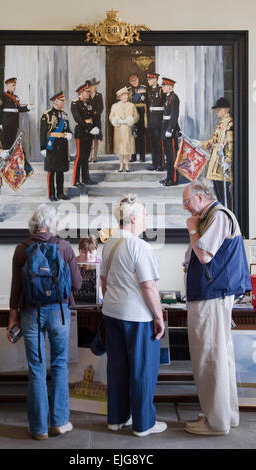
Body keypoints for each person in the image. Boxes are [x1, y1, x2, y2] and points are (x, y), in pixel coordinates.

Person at [7, 204, 82, 440]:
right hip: (59, 312)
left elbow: (16, 289)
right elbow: (78, 285)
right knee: (59, 364)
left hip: (30, 312)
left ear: (33, 224)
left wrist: (12, 320)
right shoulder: (64, 247)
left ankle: (38, 428)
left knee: (36, 368)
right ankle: (59, 422)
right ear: (53, 224)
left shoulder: (22, 249)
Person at [182, 180, 251, 436]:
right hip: (212, 295)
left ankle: (216, 422)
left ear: (201, 197)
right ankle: (224, 415)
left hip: (211, 296)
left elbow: (204, 255)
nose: (186, 208)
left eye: (187, 202)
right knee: (220, 358)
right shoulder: (213, 216)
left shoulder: (218, 215)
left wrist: (191, 229)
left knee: (210, 358)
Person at [100, 193, 167, 437]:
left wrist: (111, 302)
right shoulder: (139, 246)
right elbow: (149, 287)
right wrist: (159, 317)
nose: (148, 216)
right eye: (145, 213)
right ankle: (143, 424)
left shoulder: (109, 243)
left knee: (117, 368)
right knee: (142, 371)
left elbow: (103, 281)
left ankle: (116, 419)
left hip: (112, 313)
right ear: (134, 217)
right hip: (137, 317)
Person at [192, 97, 233, 209]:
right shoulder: (220, 124)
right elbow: (214, 142)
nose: (216, 112)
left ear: (226, 110)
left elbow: (231, 144)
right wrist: (200, 144)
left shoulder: (229, 124)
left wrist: (228, 161)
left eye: (218, 110)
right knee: (219, 194)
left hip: (222, 164)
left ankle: (228, 215)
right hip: (216, 164)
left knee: (225, 196)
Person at [40, 91, 72, 201]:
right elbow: (43, 132)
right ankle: (51, 194)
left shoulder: (64, 114)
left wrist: (69, 133)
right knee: (51, 170)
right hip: (51, 144)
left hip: (62, 144)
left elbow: (67, 129)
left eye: (63, 100)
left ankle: (60, 193)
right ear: (55, 101)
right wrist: (42, 147)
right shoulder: (47, 115)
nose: (63, 102)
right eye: (61, 100)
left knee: (60, 170)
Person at [71, 82, 99, 188]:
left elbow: (92, 117)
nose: (88, 93)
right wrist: (89, 129)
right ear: (81, 93)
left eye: (88, 92)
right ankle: (76, 180)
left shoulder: (88, 103)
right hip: (81, 132)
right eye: (86, 92)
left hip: (89, 132)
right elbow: (78, 119)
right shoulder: (75, 104)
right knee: (79, 157)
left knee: (86, 156)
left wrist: (94, 128)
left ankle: (86, 178)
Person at [109, 87, 139, 172]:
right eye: (124, 95)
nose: (126, 96)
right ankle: (121, 166)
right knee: (120, 148)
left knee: (127, 148)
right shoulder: (114, 106)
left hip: (128, 129)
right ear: (119, 96)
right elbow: (111, 117)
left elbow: (136, 116)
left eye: (127, 95)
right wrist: (116, 120)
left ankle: (127, 166)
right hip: (118, 129)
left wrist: (131, 120)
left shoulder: (131, 105)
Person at [0, 77, 29, 149]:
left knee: (12, 143)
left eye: (15, 85)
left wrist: (27, 108)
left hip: (14, 123)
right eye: (12, 85)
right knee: (5, 143)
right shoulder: (2, 96)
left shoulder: (16, 97)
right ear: (7, 85)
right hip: (6, 123)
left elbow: (18, 109)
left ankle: (11, 160)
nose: (14, 87)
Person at [160, 77, 181, 186]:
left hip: (170, 131)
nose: (162, 87)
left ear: (170, 87)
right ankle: (168, 177)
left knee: (172, 156)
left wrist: (170, 129)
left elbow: (174, 115)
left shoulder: (174, 98)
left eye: (164, 85)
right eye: (162, 85)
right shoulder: (168, 97)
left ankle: (173, 179)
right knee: (168, 156)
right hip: (165, 129)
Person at [146, 72, 165, 171]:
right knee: (152, 143)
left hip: (159, 119)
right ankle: (154, 164)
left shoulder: (161, 90)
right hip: (151, 119)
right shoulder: (150, 91)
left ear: (155, 79)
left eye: (150, 79)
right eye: (148, 79)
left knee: (159, 143)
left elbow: (165, 106)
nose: (148, 81)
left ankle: (160, 164)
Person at [128, 73, 147, 162]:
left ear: (138, 79)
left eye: (135, 80)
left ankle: (142, 157)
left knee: (142, 136)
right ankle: (133, 156)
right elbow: (132, 101)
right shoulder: (129, 90)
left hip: (142, 114)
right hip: (133, 113)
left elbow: (146, 100)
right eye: (132, 81)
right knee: (133, 136)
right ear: (130, 82)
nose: (134, 82)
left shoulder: (143, 87)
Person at [86, 78, 104, 163]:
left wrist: (97, 112)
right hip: (89, 119)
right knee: (89, 138)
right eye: (91, 86)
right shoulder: (86, 95)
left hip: (96, 119)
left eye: (94, 86)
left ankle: (95, 156)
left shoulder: (99, 95)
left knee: (96, 138)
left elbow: (101, 107)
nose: (92, 87)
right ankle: (89, 156)